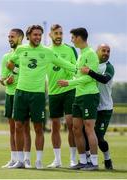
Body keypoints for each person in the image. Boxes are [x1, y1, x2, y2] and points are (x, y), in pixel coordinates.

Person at [6, 25, 77, 169]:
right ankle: (20, 161)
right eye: (35, 35)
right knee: (19, 126)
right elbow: (10, 62)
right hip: (20, 93)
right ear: (28, 36)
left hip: (37, 95)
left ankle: (38, 160)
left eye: (39, 35)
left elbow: (65, 64)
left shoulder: (47, 52)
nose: (37, 37)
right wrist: (15, 71)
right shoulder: (21, 49)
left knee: (38, 127)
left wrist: (81, 71)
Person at [58, 27, 100, 170]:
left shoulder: (91, 54)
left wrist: (69, 83)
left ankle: (94, 163)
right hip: (78, 96)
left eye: (73, 37)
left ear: (79, 37)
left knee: (89, 128)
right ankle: (82, 161)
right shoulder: (81, 55)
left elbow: (89, 78)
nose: (71, 40)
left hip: (89, 95)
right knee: (76, 129)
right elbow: (78, 74)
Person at [47, 24, 77, 168]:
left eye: (61, 33)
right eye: (56, 33)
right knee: (55, 126)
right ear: (50, 35)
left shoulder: (70, 49)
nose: (59, 36)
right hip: (53, 93)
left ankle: (73, 159)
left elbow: (76, 69)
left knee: (71, 124)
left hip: (69, 90)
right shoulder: (46, 52)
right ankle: (57, 160)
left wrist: (70, 82)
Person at [0, 29, 31, 168]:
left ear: (20, 38)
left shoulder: (26, 54)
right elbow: (2, 79)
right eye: (8, 37)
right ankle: (14, 159)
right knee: (12, 129)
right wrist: (7, 81)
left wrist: (15, 70)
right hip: (10, 95)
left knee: (25, 128)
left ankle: (26, 159)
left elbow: (29, 72)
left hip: (24, 93)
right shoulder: (6, 57)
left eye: (12, 37)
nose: (9, 39)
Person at [81, 44, 114, 169]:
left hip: (104, 108)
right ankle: (88, 159)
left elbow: (105, 79)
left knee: (99, 137)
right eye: (103, 50)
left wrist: (89, 72)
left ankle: (107, 159)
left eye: (108, 51)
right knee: (85, 133)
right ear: (97, 51)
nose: (106, 53)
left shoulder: (109, 67)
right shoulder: (91, 64)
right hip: (91, 105)